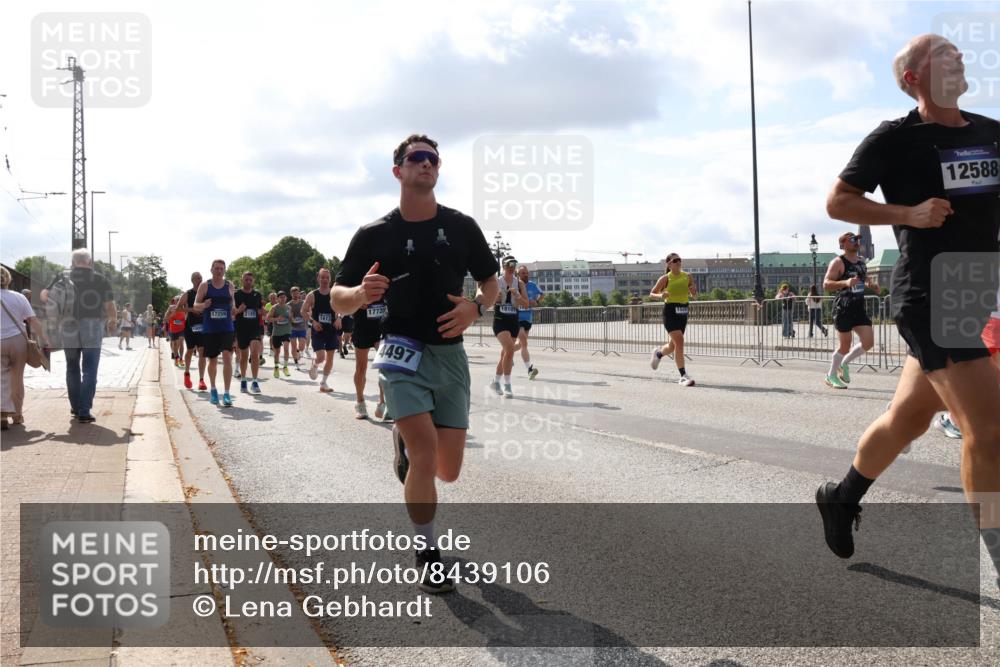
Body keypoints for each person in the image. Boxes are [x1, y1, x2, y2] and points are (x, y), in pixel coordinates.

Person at [815, 35, 1000, 582]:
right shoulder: (895, 138)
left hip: (975, 290)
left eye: (959, 54)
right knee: (988, 431)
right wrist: (909, 214)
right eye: (944, 53)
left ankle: (841, 497)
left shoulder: (991, 133)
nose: (959, 57)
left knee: (909, 417)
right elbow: (838, 201)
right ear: (913, 77)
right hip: (929, 293)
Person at [332, 133, 499, 594]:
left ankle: (403, 447)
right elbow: (337, 298)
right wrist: (361, 294)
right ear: (398, 171)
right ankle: (428, 555)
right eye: (415, 158)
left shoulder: (462, 227)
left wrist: (476, 309)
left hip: (449, 357)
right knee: (426, 456)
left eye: (432, 159)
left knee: (448, 470)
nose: (425, 164)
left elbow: (490, 281)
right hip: (400, 352)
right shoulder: (374, 235)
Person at [41, 249, 116, 423]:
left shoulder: (62, 277)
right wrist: (112, 320)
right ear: (89, 262)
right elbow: (109, 305)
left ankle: (75, 407)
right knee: (90, 369)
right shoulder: (100, 279)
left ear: (73, 262)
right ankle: (84, 410)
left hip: (68, 325)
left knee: (72, 367)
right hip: (92, 325)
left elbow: (44, 295)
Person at [822, 232, 878, 389]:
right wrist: (845, 282)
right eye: (853, 240)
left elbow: (863, 278)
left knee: (868, 342)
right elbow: (826, 284)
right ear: (843, 244)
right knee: (845, 345)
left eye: (858, 239)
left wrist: (871, 284)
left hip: (858, 307)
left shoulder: (861, 262)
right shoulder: (838, 262)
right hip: (844, 307)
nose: (856, 242)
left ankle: (844, 363)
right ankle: (830, 375)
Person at [1, 266, 49, 430]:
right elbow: (33, 321)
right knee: (17, 378)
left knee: (1, 378)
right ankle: (17, 415)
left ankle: (2, 413)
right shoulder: (19, 297)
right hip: (17, 341)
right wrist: (44, 338)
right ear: (8, 279)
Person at [649, 253, 698, 386]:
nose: (678, 262)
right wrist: (661, 295)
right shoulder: (665, 278)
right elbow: (651, 294)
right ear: (669, 264)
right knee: (680, 342)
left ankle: (658, 354)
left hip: (683, 312)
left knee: (672, 346)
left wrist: (694, 292)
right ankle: (683, 376)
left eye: (679, 260)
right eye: (675, 260)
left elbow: (694, 296)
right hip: (670, 311)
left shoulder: (687, 276)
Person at [193, 260, 236, 408]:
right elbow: (195, 305)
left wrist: (234, 311)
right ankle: (213, 389)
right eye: (216, 268)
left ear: (224, 271)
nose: (219, 271)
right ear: (211, 270)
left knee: (227, 357)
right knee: (212, 360)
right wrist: (203, 305)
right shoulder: (205, 286)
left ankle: (227, 393)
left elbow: (233, 305)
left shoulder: (229, 286)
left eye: (221, 269)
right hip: (210, 329)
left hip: (226, 328)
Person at [489, 255, 529, 398]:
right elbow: (488, 301)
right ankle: (507, 386)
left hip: (513, 321)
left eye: (514, 265)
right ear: (503, 266)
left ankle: (496, 382)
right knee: (510, 349)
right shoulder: (496, 281)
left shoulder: (519, 283)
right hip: (500, 320)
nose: (511, 268)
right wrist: (496, 299)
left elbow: (526, 304)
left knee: (505, 354)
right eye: (508, 265)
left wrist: (517, 295)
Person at [350, 298, 389, 420]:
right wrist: (355, 300)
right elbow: (341, 298)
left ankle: (382, 403)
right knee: (361, 367)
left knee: (385, 366)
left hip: (382, 327)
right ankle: (360, 402)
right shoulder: (356, 280)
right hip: (362, 328)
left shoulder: (388, 279)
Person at [302, 269, 340, 392]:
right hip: (318, 330)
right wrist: (313, 322)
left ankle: (323, 383)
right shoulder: (312, 295)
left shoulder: (335, 294)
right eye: (322, 277)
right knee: (321, 357)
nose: (325, 280)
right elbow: (303, 311)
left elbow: (343, 307)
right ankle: (315, 364)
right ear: (318, 278)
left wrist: (339, 318)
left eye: (327, 278)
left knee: (330, 358)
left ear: (330, 279)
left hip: (331, 330)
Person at [234, 271, 264, 394]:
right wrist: (238, 310)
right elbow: (232, 312)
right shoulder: (237, 295)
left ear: (253, 281)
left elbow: (259, 310)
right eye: (246, 279)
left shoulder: (257, 295)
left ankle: (255, 381)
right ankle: (244, 380)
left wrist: (261, 311)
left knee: (255, 353)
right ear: (242, 280)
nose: (248, 282)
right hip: (242, 328)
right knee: (244, 355)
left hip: (255, 328)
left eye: (250, 280)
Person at [179, 272, 207, 391]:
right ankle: (186, 374)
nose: (199, 280)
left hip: (203, 325)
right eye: (197, 278)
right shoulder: (187, 294)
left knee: (202, 352)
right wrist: (192, 309)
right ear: (192, 280)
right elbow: (178, 308)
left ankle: (201, 380)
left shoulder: (205, 293)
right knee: (190, 350)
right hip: (190, 325)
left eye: (200, 278)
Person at [514, 264, 543, 380]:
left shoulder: (532, 285)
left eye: (526, 273)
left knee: (520, 344)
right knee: (524, 343)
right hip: (517, 318)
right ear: (518, 274)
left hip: (528, 318)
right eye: (523, 273)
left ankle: (507, 353)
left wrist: (536, 301)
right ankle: (529, 370)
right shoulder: (514, 285)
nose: (525, 275)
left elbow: (542, 294)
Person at [267, 291, 293, 379]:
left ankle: (285, 367)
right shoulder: (274, 308)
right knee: (277, 352)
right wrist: (277, 318)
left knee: (286, 348)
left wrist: (290, 317)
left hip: (286, 330)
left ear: (286, 298)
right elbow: (268, 318)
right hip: (277, 331)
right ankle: (276, 367)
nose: (283, 298)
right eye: (281, 297)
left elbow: (292, 319)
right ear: (278, 299)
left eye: (284, 297)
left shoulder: (289, 307)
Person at [289, 286, 308, 366]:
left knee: (302, 346)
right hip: (292, 327)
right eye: (294, 294)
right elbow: (289, 315)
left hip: (302, 327)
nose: (295, 295)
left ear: (299, 294)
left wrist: (306, 315)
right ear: (291, 294)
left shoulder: (303, 303)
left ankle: (298, 351)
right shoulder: (289, 304)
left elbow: (309, 311)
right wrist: (291, 318)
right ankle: (296, 361)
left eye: (297, 294)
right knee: (293, 345)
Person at [166, 297, 187, 367]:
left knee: (181, 343)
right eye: (177, 300)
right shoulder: (171, 307)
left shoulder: (184, 307)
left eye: (180, 300)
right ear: (174, 301)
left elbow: (187, 316)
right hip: (173, 329)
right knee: (175, 344)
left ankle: (181, 359)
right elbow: (166, 317)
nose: (178, 301)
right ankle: (176, 359)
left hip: (182, 328)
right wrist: (171, 314)